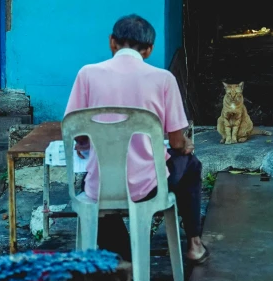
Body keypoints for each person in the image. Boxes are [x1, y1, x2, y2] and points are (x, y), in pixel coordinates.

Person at [65, 14, 208, 265]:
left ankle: (125, 257)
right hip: (149, 185)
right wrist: (185, 145)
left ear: (112, 42)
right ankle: (194, 244)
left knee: (94, 197)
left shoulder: (86, 74)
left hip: (102, 185)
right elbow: (175, 142)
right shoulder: (163, 79)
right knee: (191, 165)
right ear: (149, 50)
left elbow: (77, 133)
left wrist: (84, 144)